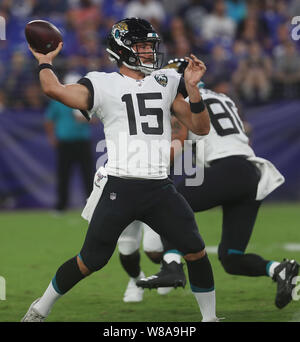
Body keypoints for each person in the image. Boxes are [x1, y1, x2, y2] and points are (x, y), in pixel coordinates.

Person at [22, 18, 219, 322]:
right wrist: (45, 61)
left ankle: (209, 318)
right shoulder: (102, 83)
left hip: (159, 187)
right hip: (120, 186)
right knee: (90, 261)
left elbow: (201, 128)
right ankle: (39, 309)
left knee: (195, 251)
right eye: (141, 46)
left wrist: (193, 90)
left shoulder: (166, 81)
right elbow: (55, 91)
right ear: (123, 50)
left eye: (150, 46)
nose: (149, 52)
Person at [125, 59, 299, 310]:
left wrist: (152, 166)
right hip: (251, 173)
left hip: (225, 168)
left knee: (166, 202)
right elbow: (243, 137)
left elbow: (179, 140)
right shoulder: (224, 98)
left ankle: (172, 265)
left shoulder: (182, 102)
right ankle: (280, 270)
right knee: (232, 258)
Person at [44, 74, 94, 212]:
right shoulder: (58, 101)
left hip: (82, 141)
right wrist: (52, 137)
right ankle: (61, 205)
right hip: (65, 142)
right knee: (64, 175)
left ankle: (91, 206)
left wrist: (86, 119)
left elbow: (96, 118)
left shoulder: (87, 99)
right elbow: (48, 119)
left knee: (87, 175)